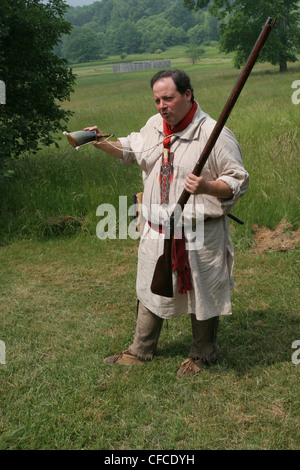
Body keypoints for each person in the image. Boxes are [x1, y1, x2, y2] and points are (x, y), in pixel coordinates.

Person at [85, 69, 249, 377]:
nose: (162, 105)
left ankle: (203, 353)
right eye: (158, 99)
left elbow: (237, 180)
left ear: (187, 95)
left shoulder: (213, 133)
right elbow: (132, 149)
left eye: (169, 98)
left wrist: (207, 187)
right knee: (150, 287)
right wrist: (100, 141)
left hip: (199, 232)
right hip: (157, 229)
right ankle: (140, 349)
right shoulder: (153, 127)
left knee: (202, 292)